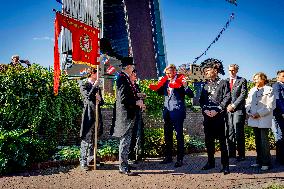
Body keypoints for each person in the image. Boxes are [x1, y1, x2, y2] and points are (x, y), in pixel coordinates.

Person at [149, 64, 194, 168]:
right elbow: (160, 93)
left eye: (169, 73)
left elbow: (191, 95)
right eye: (166, 73)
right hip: (167, 112)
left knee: (179, 136)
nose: (168, 75)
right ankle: (168, 157)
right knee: (167, 135)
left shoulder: (181, 80)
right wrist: (158, 84)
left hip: (178, 111)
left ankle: (180, 159)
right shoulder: (166, 81)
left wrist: (186, 86)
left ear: (174, 72)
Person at [112, 57, 143, 176]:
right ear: (128, 67)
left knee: (127, 140)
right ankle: (122, 167)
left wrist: (137, 100)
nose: (134, 69)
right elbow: (123, 98)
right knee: (125, 141)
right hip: (125, 115)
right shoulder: (122, 78)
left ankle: (124, 163)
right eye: (132, 66)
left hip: (128, 114)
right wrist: (136, 102)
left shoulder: (125, 78)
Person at [199, 58, 231, 175]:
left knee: (223, 141)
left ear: (215, 70)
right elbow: (201, 101)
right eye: (205, 70)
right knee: (209, 141)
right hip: (208, 117)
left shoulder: (224, 82)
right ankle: (210, 162)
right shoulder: (205, 85)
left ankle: (225, 165)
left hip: (220, 117)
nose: (206, 72)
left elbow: (227, 97)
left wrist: (218, 109)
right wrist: (205, 110)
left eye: (208, 70)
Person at [246, 72, 275, 171]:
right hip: (253, 118)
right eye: (254, 79)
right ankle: (259, 161)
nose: (255, 80)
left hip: (263, 118)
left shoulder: (270, 89)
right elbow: (248, 103)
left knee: (264, 141)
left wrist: (259, 113)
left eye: (257, 78)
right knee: (257, 141)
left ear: (263, 79)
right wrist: (249, 112)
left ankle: (266, 162)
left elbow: (270, 106)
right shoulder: (252, 90)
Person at [79, 67, 104, 171]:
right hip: (88, 115)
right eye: (97, 72)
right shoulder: (84, 84)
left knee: (94, 138)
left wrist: (100, 99)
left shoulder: (97, 87)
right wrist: (94, 86)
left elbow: (101, 102)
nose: (99, 74)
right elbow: (87, 96)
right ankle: (83, 162)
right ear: (92, 73)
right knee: (86, 138)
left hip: (97, 115)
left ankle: (91, 159)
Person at [226, 64, 247, 161]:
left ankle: (241, 154)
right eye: (230, 70)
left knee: (238, 132)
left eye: (233, 70)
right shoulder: (225, 81)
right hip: (227, 110)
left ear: (237, 70)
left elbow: (243, 95)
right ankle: (231, 153)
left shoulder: (242, 80)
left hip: (238, 109)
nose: (231, 72)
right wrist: (226, 106)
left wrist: (233, 105)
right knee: (229, 131)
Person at [128, 69, 146, 163]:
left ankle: (137, 154)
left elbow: (139, 98)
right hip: (131, 114)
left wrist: (143, 104)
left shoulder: (137, 86)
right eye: (134, 74)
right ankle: (129, 156)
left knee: (138, 134)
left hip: (138, 113)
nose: (135, 75)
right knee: (130, 135)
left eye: (136, 73)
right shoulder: (128, 86)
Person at [272, 70, 284, 164]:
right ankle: (280, 159)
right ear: (278, 77)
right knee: (280, 135)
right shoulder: (277, 85)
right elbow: (278, 99)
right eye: (283, 76)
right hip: (279, 114)